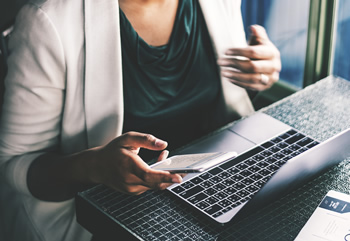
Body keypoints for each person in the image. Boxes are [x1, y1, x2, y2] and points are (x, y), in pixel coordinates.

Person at [0, 0, 281, 240]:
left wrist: (257, 75)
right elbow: (13, 164)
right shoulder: (48, 22)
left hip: (214, 190)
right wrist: (93, 167)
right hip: (113, 216)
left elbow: (215, 99)